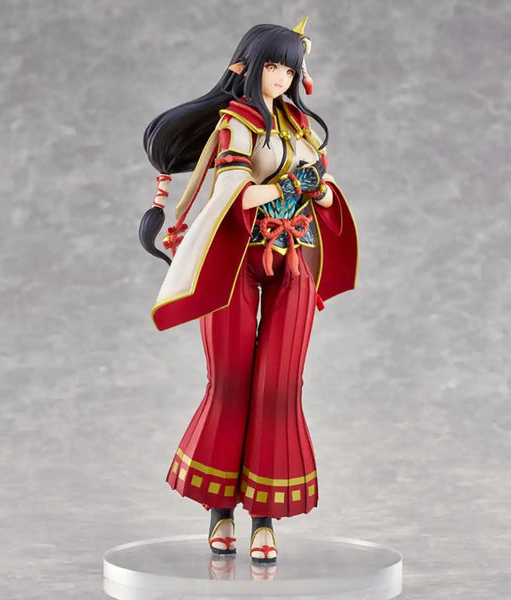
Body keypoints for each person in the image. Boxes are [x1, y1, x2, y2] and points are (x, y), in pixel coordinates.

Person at [139, 18, 358, 563]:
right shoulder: (236, 123)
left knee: (279, 388)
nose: (281, 78)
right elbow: (237, 194)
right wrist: (293, 183)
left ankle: (264, 518)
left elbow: (327, 194)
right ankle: (219, 511)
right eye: (273, 66)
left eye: (291, 69)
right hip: (237, 259)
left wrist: (321, 192)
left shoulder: (303, 129)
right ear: (249, 67)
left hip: (294, 257)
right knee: (231, 382)